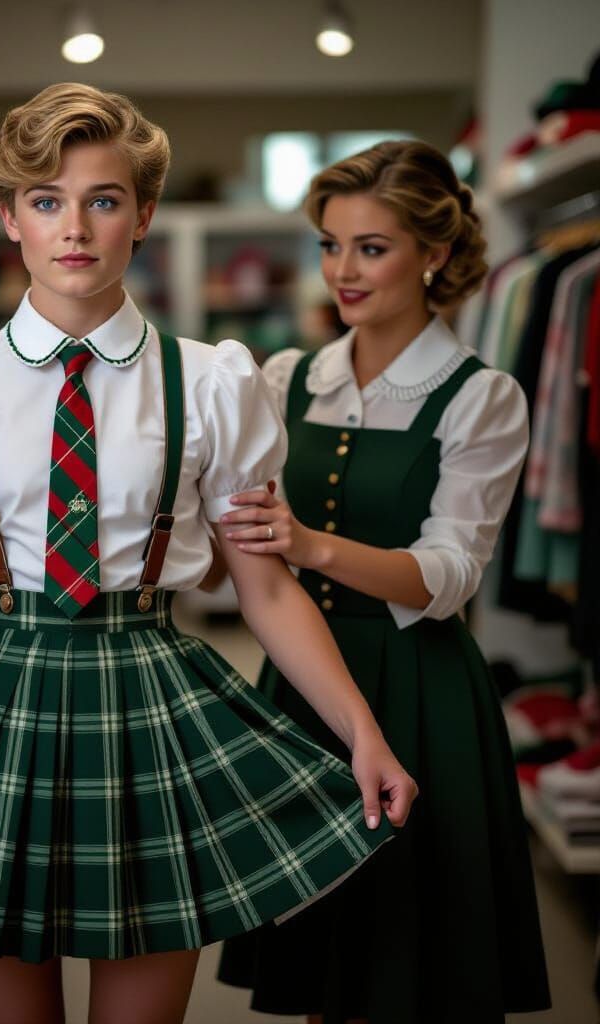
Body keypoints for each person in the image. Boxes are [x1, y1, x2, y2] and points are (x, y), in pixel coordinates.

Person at [0, 85, 416, 1024]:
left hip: (155, 703)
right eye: (46, 201)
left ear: (144, 215)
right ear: (9, 218)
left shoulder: (214, 382)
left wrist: (362, 733)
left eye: (103, 198)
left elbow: (269, 592)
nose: (75, 227)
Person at [217, 140, 551, 1024]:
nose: (342, 271)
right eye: (330, 244)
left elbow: (451, 571)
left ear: (434, 254)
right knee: (325, 950)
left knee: (412, 956)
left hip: (418, 685)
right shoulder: (287, 378)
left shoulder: (483, 397)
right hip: (301, 678)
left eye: (371, 247)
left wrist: (310, 544)